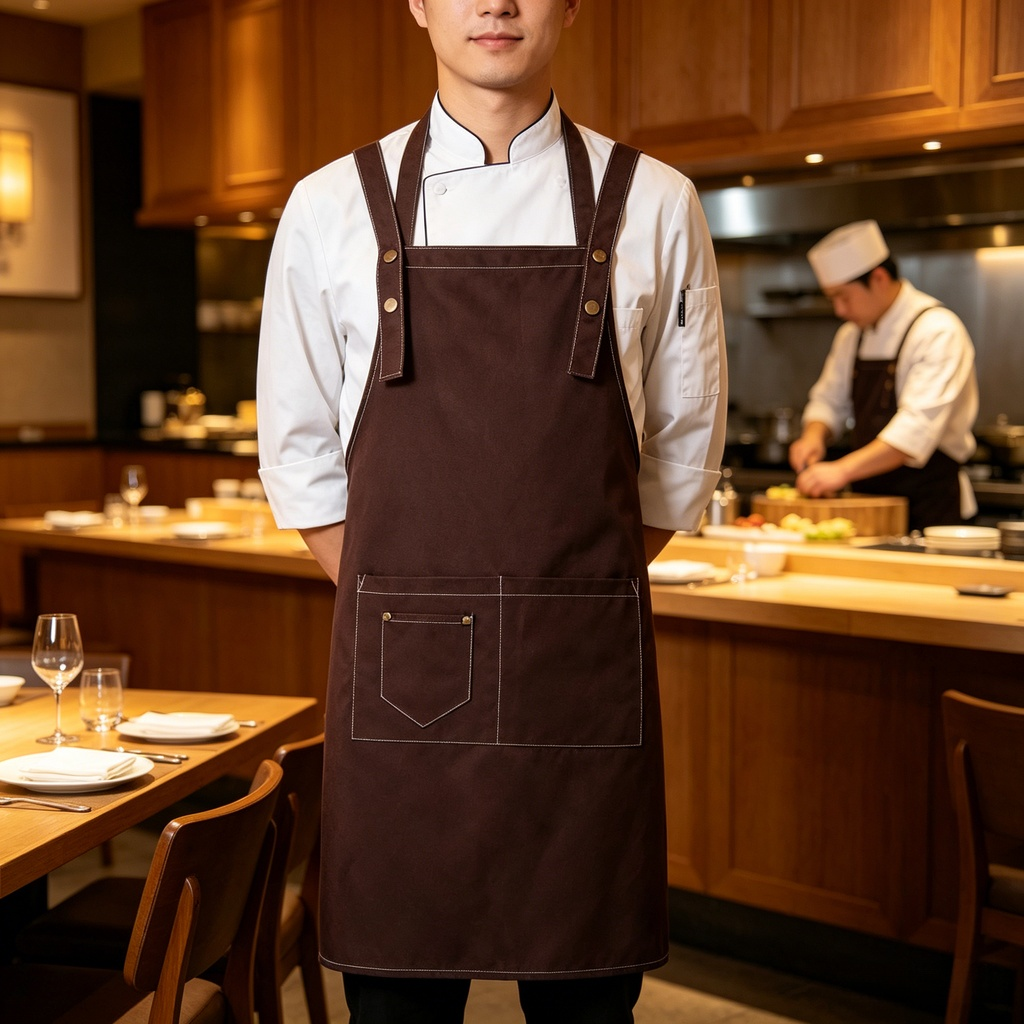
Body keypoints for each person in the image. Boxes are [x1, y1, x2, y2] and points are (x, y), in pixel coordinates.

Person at [257, 1, 727, 1020]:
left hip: (580, 685)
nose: (497, 4)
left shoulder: (655, 203)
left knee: (585, 1005)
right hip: (401, 691)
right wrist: (406, 596)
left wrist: (573, 594)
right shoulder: (330, 205)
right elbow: (295, 457)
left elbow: (682, 458)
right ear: (419, 5)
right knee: (397, 1002)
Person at [789, 219, 978, 531]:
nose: (839, 310)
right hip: (869, 505)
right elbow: (827, 400)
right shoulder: (852, 335)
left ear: (878, 278)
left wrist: (841, 471)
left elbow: (914, 430)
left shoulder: (937, 330)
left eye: (843, 297)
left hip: (930, 506)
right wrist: (814, 435)